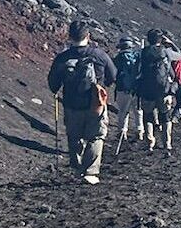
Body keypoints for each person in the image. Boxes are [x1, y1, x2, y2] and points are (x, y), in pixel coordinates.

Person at [47, 20, 118, 184]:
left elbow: (53, 84)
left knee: (74, 136)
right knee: (96, 136)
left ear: (69, 37)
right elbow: (113, 74)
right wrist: (103, 85)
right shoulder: (99, 55)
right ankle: (90, 172)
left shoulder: (63, 58)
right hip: (95, 103)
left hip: (71, 104)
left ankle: (77, 167)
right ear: (88, 36)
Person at [136, 29, 178, 152]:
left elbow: (138, 71)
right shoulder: (165, 52)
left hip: (147, 90)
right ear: (161, 39)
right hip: (163, 90)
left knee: (148, 116)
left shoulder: (143, 52)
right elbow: (180, 56)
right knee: (165, 116)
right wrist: (171, 44)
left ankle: (150, 142)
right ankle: (167, 143)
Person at [112, 36, 143, 148]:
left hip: (122, 89)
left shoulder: (117, 59)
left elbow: (113, 74)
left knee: (123, 111)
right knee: (138, 111)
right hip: (136, 89)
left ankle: (122, 132)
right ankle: (140, 131)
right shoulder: (137, 57)